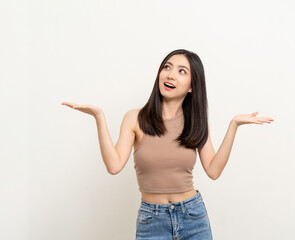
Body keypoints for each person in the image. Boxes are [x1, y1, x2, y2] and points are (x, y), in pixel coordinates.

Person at [61, 49, 274, 239]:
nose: (171, 74)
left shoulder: (196, 122)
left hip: (193, 217)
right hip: (151, 220)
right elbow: (114, 166)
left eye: (182, 71)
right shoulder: (135, 118)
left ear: (192, 86)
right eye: (167, 67)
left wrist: (233, 125)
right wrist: (99, 117)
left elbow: (214, 170)